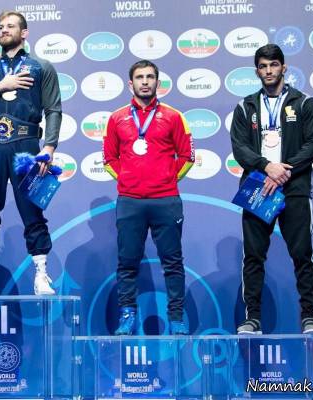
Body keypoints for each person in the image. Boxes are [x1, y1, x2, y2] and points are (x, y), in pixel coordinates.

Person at [0, 11, 62, 296]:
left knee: (32, 210)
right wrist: (0, 87)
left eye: (10, 26)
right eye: (1, 27)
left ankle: (41, 275)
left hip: (25, 146)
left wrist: (49, 147)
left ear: (24, 33)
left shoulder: (41, 67)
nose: (4, 30)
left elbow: (53, 109)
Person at [230, 44, 313, 334]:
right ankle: (253, 318)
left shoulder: (304, 103)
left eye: (273, 65)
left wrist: (283, 171)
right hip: (259, 189)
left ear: (284, 67)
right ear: (256, 71)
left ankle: (309, 316)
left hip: (294, 188)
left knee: (302, 255)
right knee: (253, 257)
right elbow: (239, 148)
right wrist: (266, 166)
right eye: (263, 66)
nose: (268, 70)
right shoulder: (246, 106)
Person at [103, 60, 195, 335]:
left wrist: (166, 180)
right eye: (140, 77)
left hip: (165, 200)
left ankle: (176, 317)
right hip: (130, 201)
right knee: (127, 262)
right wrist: (128, 180)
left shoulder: (174, 117)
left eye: (150, 77)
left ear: (158, 82)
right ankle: (127, 315)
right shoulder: (116, 118)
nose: (145, 82)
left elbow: (187, 156)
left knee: (173, 262)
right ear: (130, 84)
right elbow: (109, 158)